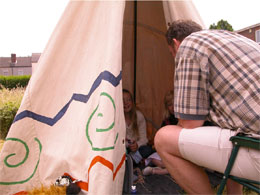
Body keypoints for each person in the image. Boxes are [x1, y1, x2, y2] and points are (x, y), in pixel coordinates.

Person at [154, 20, 260, 194]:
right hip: (249, 133)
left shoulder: (189, 45)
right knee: (229, 130)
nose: (175, 58)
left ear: (175, 43)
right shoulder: (233, 39)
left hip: (256, 146)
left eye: (172, 54)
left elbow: (190, 124)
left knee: (163, 139)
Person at [143, 90, 178, 175]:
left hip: (179, 153)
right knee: (154, 158)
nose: (173, 107)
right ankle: (167, 168)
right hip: (168, 152)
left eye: (175, 104)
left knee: (180, 164)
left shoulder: (184, 120)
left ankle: (159, 171)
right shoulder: (167, 121)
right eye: (170, 105)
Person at [123, 89, 153, 166]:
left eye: (128, 100)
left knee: (147, 150)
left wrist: (137, 145)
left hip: (137, 149)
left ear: (132, 102)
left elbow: (144, 139)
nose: (125, 103)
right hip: (124, 149)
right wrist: (127, 145)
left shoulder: (139, 116)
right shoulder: (117, 118)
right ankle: (132, 162)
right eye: (123, 100)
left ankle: (129, 162)